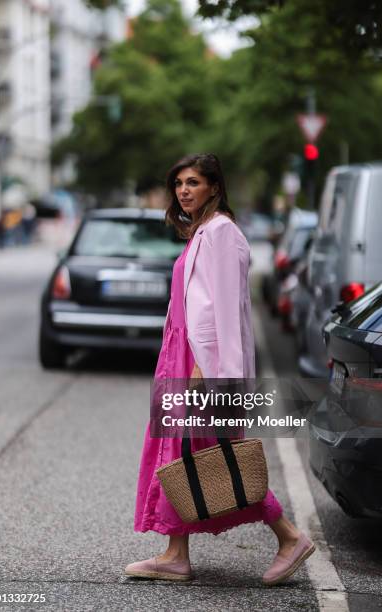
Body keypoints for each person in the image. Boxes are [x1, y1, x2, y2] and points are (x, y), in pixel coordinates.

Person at [125, 154, 315, 585]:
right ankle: (176, 553)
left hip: (200, 364)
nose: (183, 191)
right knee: (178, 452)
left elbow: (228, 312)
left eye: (193, 182)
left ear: (214, 186)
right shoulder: (201, 232)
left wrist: (207, 373)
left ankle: (289, 537)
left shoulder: (222, 233)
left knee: (215, 454)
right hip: (181, 355)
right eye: (178, 184)